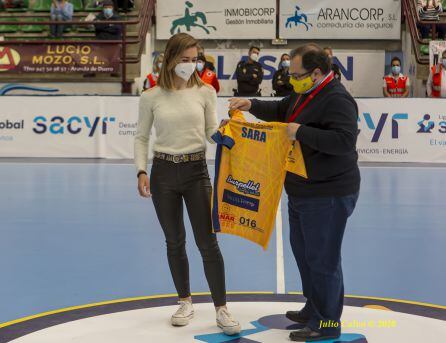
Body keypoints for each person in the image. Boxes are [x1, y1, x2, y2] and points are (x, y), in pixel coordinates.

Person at [229, 43, 360, 342]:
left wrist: (300, 132)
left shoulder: (337, 99)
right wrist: (250, 105)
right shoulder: (305, 93)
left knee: (323, 259)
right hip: (302, 191)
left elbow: (344, 141)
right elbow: (281, 108)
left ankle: (327, 323)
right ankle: (313, 307)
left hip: (328, 193)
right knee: (304, 254)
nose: (292, 79)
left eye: (297, 74)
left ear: (316, 73)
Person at [134, 32, 241, 336]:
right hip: (163, 173)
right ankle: (185, 301)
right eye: (184, 60)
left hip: (196, 172)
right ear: (169, 59)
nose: (190, 65)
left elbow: (210, 131)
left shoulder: (206, 92)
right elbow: (141, 137)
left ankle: (222, 308)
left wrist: (222, 132)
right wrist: (141, 171)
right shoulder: (150, 97)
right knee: (174, 241)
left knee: (208, 243)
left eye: (194, 60)